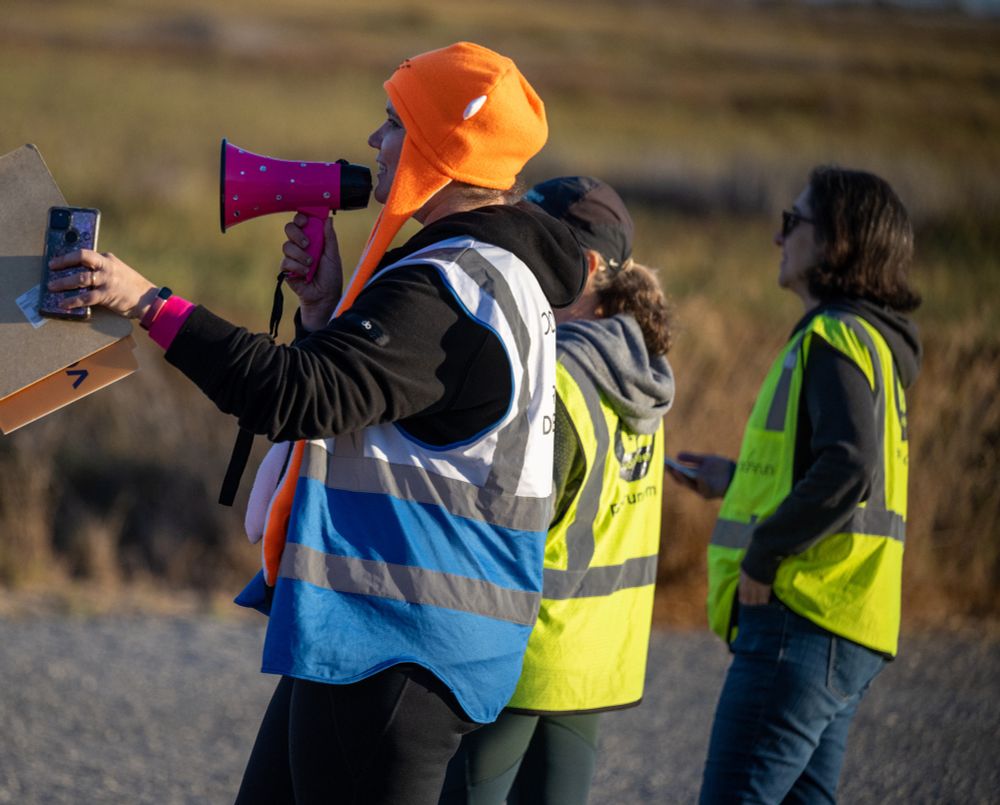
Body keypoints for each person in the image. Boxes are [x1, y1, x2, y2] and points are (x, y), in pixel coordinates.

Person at [46, 42, 587, 805]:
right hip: (390, 636)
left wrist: (145, 302)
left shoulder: (446, 289)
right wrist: (325, 311)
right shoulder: (494, 276)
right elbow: (362, 403)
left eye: (393, 122)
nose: (375, 140)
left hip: (396, 643)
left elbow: (293, 395)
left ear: (439, 145)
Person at [667, 166, 922, 804]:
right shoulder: (871, 344)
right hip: (846, 620)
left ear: (837, 240)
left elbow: (849, 467)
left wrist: (764, 552)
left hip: (802, 616)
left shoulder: (834, 336)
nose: (778, 238)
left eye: (793, 221)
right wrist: (734, 481)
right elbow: (831, 468)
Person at [440, 176, 676, 805]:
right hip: (593, 660)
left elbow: (512, 519)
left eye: (531, 244)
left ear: (586, 266)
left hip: (523, 655)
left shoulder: (561, 371)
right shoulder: (641, 370)